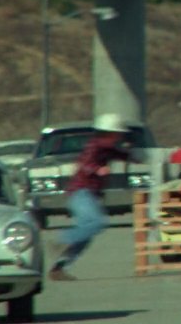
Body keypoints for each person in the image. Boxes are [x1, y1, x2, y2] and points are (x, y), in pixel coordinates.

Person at [48, 113, 132, 281]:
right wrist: (97, 169)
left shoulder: (107, 148)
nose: (119, 137)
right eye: (117, 134)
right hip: (81, 191)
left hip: (89, 194)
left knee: (86, 234)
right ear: (109, 133)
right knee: (96, 222)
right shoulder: (94, 145)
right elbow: (84, 163)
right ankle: (62, 240)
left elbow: (123, 155)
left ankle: (59, 267)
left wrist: (132, 154)